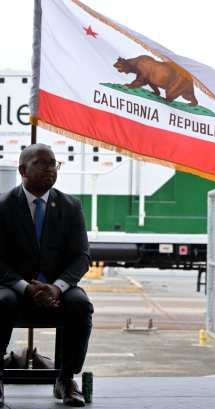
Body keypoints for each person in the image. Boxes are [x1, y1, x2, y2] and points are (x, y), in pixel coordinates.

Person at [0, 144, 92, 407]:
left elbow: (81, 256)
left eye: (53, 163)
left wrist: (57, 287)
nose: (50, 169)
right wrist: (25, 287)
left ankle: (65, 379)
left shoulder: (70, 206)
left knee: (80, 304)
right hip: (13, 287)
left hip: (56, 287)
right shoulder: (4, 206)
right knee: (1, 302)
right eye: (42, 163)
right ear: (22, 169)